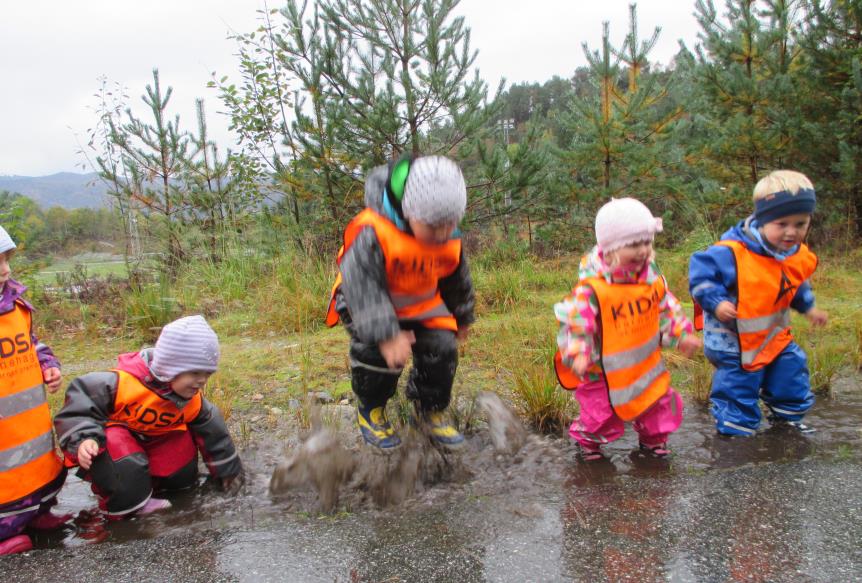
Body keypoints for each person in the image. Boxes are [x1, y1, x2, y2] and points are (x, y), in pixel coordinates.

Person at [325, 155, 475, 450]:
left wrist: (461, 316)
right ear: (409, 212)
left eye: (450, 224)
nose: (443, 234)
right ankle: (371, 408)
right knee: (379, 356)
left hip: (419, 301)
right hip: (365, 302)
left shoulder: (448, 238)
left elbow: (457, 280)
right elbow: (361, 281)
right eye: (434, 227)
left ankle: (428, 409)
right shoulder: (375, 230)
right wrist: (387, 333)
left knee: (442, 349)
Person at [554, 198, 701, 461]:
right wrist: (578, 352)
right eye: (633, 244)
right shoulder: (593, 288)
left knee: (656, 403)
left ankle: (653, 441)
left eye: (647, 242)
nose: (643, 250)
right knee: (599, 413)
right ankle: (589, 445)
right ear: (610, 250)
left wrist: (681, 334)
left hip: (645, 366)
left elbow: (667, 308)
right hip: (603, 371)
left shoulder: (652, 282)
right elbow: (577, 322)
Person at [54, 315, 242, 519]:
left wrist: (229, 475)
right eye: (195, 373)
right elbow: (79, 406)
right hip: (118, 456)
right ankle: (131, 507)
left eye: (207, 374)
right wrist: (84, 439)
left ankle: (169, 491)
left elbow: (215, 435)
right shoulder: (119, 384)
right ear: (170, 367)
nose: (201, 381)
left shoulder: (193, 401)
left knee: (181, 442)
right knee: (115, 442)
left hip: (154, 446)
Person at [689, 170, 827, 436]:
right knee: (739, 385)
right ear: (762, 220)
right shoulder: (731, 253)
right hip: (732, 341)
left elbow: (795, 284)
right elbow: (701, 276)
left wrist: (808, 307)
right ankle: (736, 430)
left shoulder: (795, 255)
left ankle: (788, 420)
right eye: (782, 224)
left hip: (774, 335)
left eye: (800, 224)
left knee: (791, 371)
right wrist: (716, 302)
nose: (791, 232)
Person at [0, 225, 70, 555]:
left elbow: (32, 343)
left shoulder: (16, 307)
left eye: (6, 260)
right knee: (6, 487)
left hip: (29, 427)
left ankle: (36, 515)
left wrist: (47, 364)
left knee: (38, 475)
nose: (5, 270)